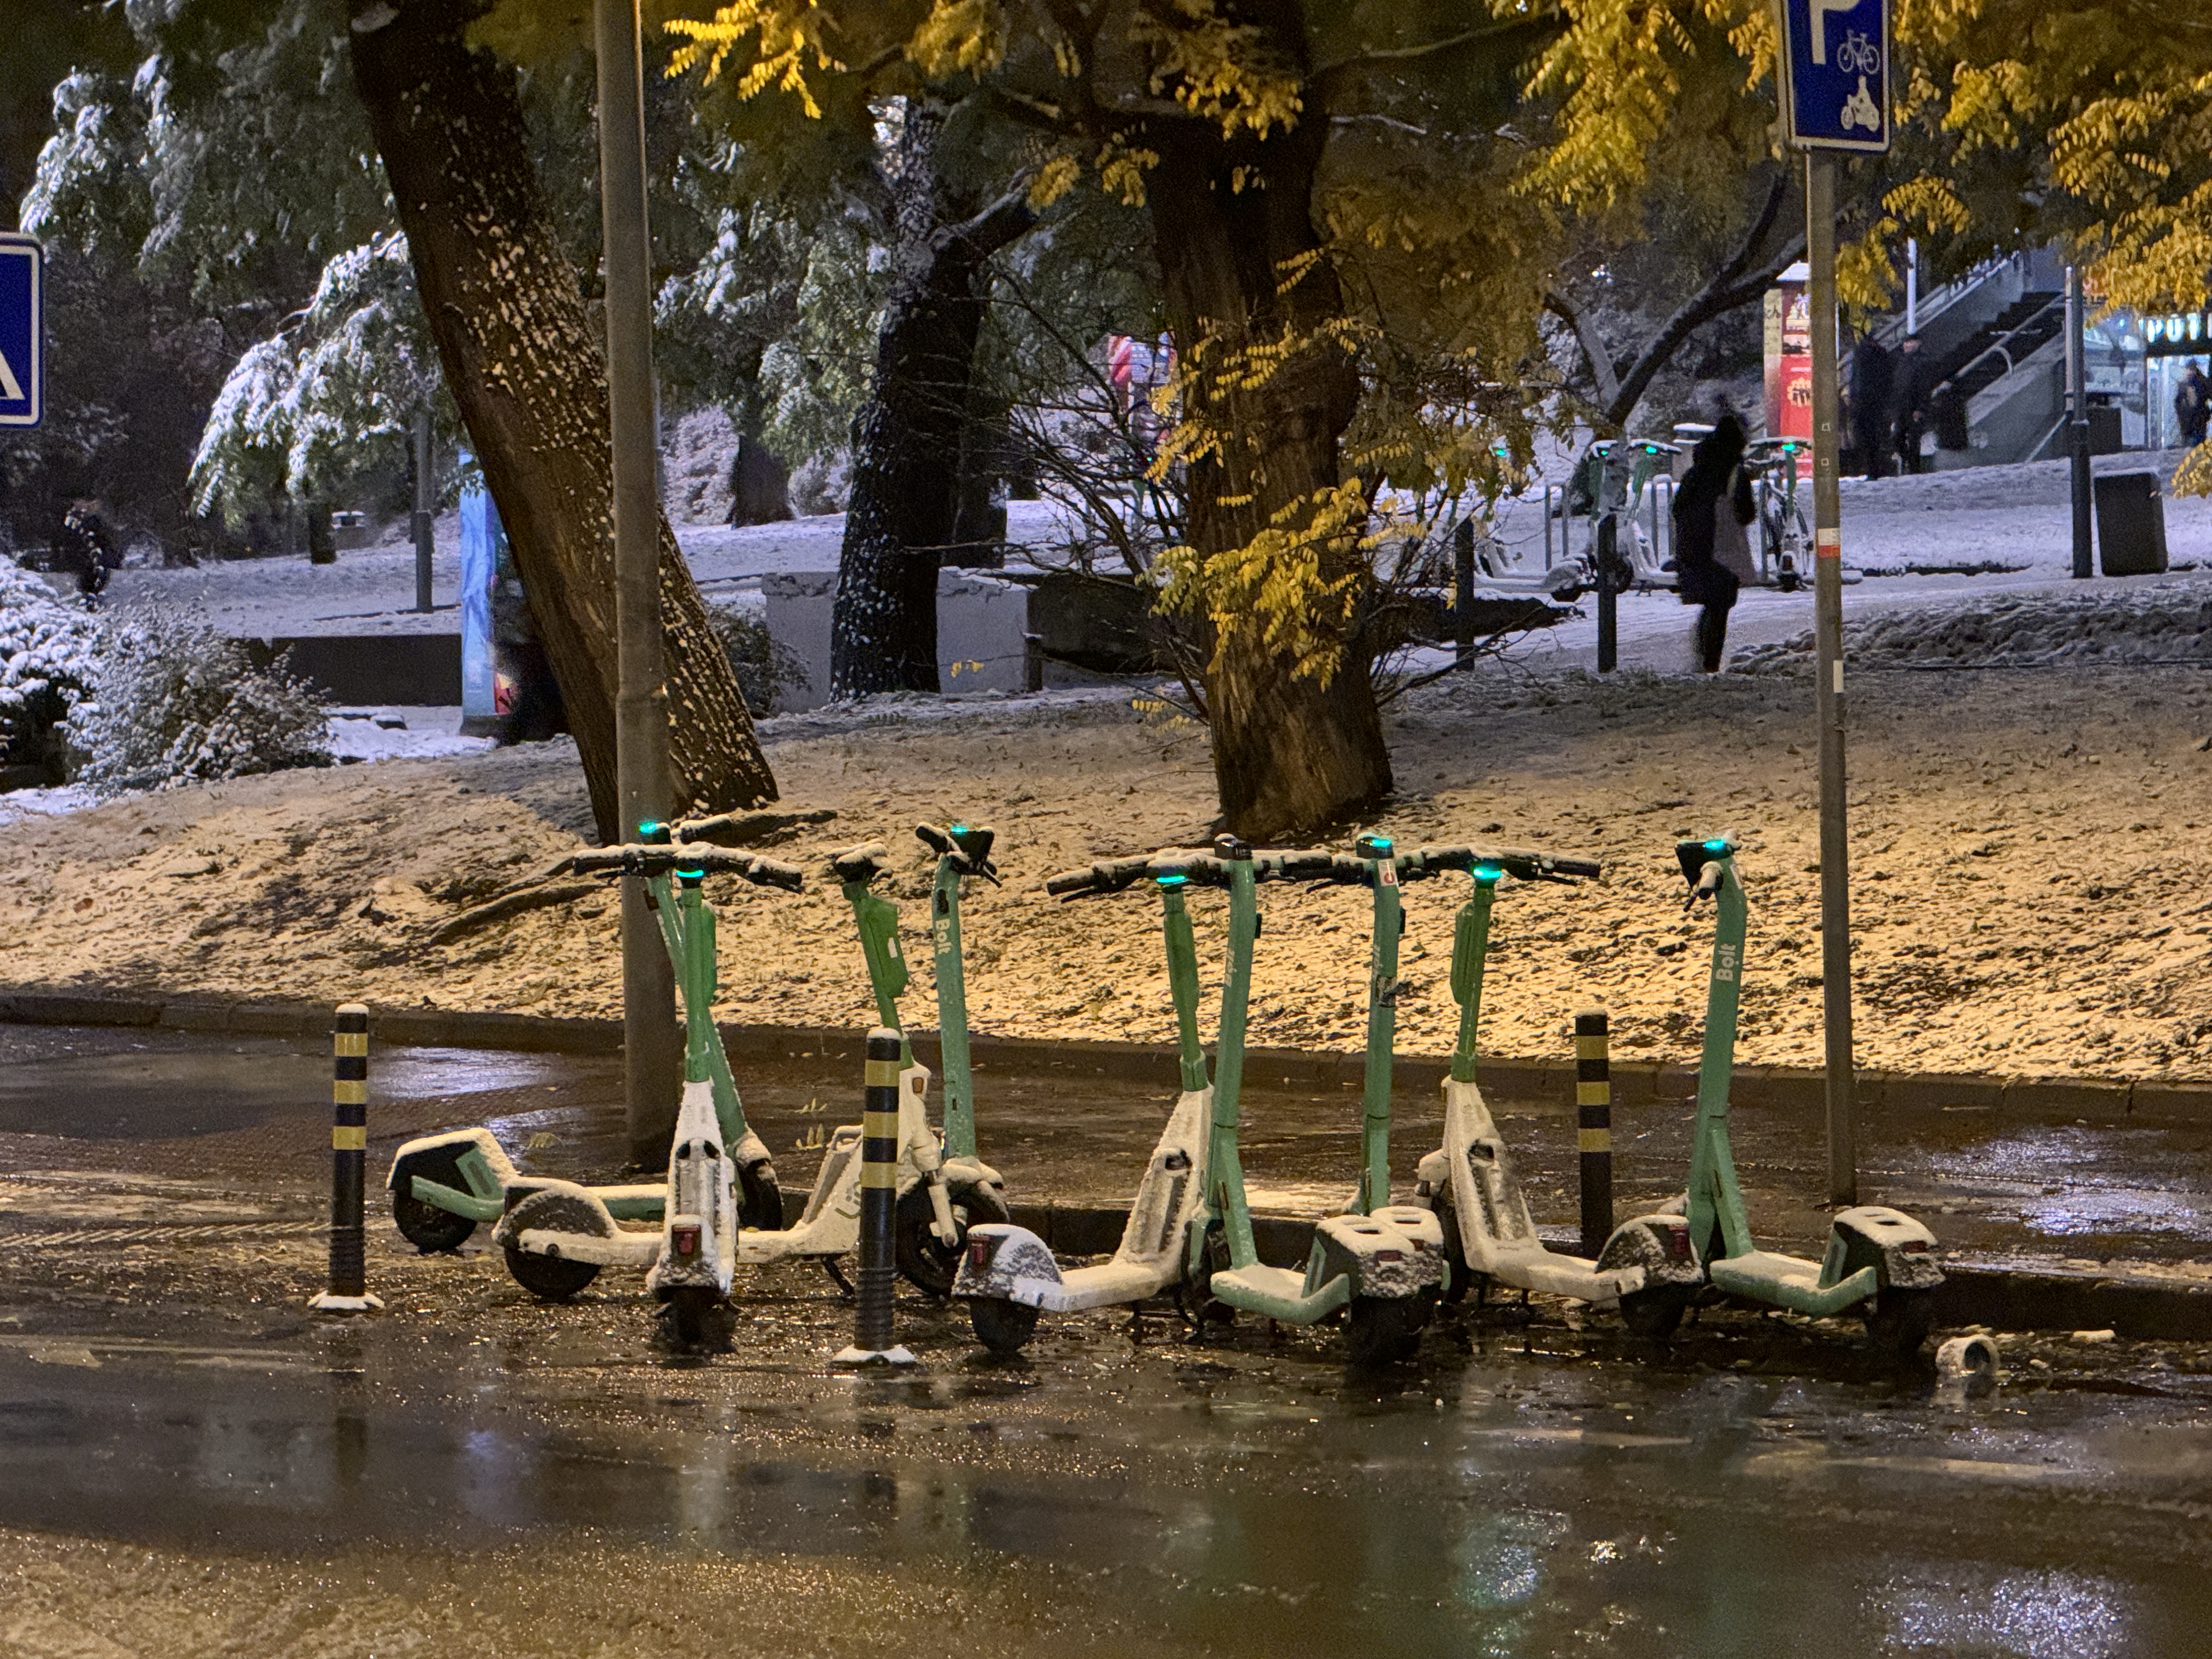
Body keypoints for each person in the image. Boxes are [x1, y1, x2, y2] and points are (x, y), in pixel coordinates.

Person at [1672, 414, 1757, 674]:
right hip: (1721, 547)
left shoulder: (1695, 471)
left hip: (1691, 546)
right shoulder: (1734, 472)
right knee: (1721, 600)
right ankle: (1710, 662)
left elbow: (1677, 508)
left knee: (1711, 599)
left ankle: (1704, 650)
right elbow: (1746, 513)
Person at [1849, 331, 1895, 477]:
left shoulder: (1860, 355)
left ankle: (1871, 469)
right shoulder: (1881, 356)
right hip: (1875, 403)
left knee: (1866, 438)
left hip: (1864, 403)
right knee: (1876, 437)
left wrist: (1854, 398)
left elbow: (1856, 381)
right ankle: (1877, 469)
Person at [1891, 334, 1932, 475]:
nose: (1907, 345)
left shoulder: (1922, 362)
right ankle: (1909, 461)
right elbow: (1897, 385)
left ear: (1918, 343)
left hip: (1914, 407)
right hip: (1901, 407)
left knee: (1914, 439)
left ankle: (1915, 468)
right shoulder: (1901, 362)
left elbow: (1924, 387)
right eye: (1905, 343)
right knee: (1897, 437)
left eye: (1910, 342)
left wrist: (1920, 408)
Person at [2176, 359, 2210, 448]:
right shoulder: (2198, 382)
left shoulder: (2190, 384)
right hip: (2195, 425)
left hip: (2191, 425)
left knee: (2192, 448)